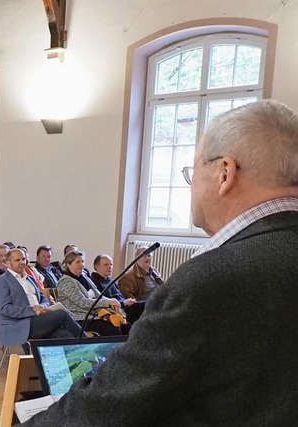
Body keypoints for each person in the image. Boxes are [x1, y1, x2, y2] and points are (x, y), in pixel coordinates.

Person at [23, 100, 298, 426]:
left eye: (193, 171)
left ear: (226, 172)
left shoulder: (211, 279)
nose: (191, 184)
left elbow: (105, 408)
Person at [0, 249, 80, 349]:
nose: (22, 262)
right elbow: (5, 309)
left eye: (24, 259)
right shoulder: (1, 281)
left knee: (66, 336)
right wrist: (33, 311)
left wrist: (43, 306)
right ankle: (90, 343)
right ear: (8, 263)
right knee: (62, 314)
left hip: (40, 320)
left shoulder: (30, 278)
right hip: (21, 324)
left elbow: (43, 298)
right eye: (17, 260)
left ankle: (88, 358)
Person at [56, 251, 128, 336]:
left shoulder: (86, 279)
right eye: (78, 262)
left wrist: (113, 302)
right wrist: (108, 303)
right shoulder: (66, 282)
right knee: (113, 329)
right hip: (78, 318)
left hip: (92, 314)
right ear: (68, 264)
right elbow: (83, 302)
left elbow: (99, 296)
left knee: (126, 326)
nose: (82, 264)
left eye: (82, 261)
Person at [90, 254, 144, 324]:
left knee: (145, 305)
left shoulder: (110, 280)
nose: (109, 267)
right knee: (144, 307)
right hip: (114, 310)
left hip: (124, 306)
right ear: (96, 266)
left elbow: (119, 295)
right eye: (106, 265)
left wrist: (127, 301)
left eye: (111, 264)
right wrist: (123, 303)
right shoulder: (93, 281)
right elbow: (103, 300)